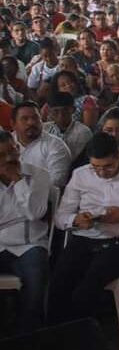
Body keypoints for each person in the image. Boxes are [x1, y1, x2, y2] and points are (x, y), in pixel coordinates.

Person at [49, 132, 119, 324]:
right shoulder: (80, 174)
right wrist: (76, 220)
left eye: (108, 166)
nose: (101, 172)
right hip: (85, 237)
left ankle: (80, 335)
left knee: (88, 286)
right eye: (96, 167)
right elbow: (60, 217)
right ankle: (55, 334)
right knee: (59, 282)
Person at [0, 129, 50, 334]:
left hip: (29, 244)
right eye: (1, 156)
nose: (8, 159)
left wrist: (18, 180)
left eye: (12, 152)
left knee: (36, 279)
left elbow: (34, 213)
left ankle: (27, 336)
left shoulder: (39, 175)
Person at [10, 100, 71, 189]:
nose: (31, 122)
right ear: (13, 124)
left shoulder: (56, 146)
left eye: (35, 118)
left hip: (40, 199)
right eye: (25, 119)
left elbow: (56, 182)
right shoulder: (5, 144)